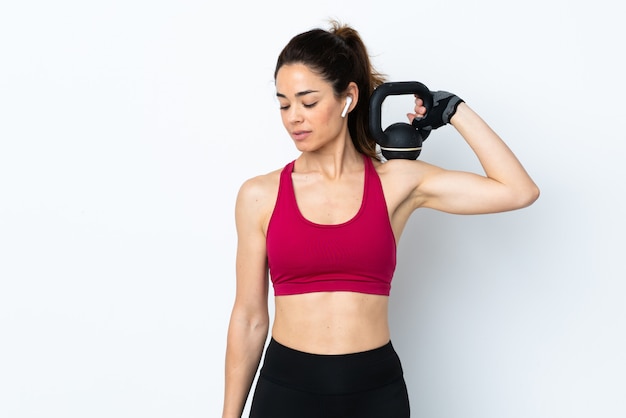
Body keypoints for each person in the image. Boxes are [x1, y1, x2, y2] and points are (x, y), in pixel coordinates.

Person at [222, 20, 539, 418]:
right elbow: (249, 317)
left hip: (373, 393)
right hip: (287, 391)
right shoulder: (259, 195)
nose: (293, 118)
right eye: (284, 104)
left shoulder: (397, 182)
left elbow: (518, 190)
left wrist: (454, 110)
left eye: (308, 101)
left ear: (347, 98)